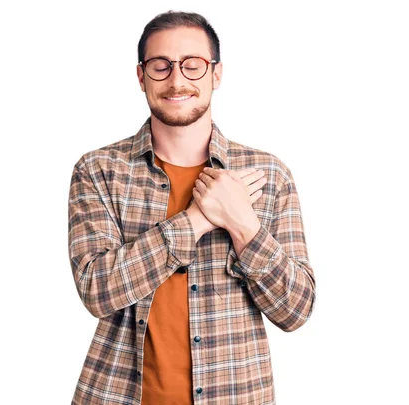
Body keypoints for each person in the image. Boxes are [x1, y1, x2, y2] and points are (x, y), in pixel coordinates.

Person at [67, 10, 316, 405]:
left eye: (193, 65)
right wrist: (197, 220)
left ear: (216, 74)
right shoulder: (99, 171)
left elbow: (295, 310)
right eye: (161, 66)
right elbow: (97, 290)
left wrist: (244, 226)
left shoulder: (268, 175)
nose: (177, 80)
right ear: (140, 76)